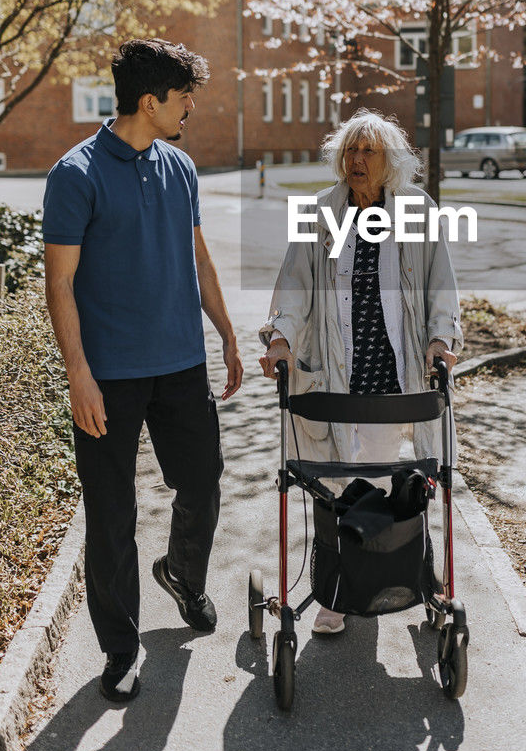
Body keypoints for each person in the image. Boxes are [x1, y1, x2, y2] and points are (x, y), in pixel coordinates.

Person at [43, 38, 243, 703]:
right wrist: (78, 375)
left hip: (182, 365)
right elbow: (60, 284)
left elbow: (200, 258)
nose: (190, 106)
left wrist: (226, 335)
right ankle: (121, 648)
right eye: (183, 96)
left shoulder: (181, 166)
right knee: (111, 513)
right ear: (150, 100)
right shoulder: (75, 174)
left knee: (202, 481)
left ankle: (183, 574)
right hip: (110, 377)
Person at [259, 109, 462, 635]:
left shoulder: (417, 211)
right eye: (350, 150)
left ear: (389, 161)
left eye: (368, 151)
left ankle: (359, 587)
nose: (356, 160)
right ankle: (341, 587)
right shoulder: (322, 212)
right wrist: (280, 338)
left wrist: (442, 337)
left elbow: (442, 283)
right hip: (331, 373)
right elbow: (295, 282)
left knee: (374, 479)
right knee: (333, 482)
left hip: (393, 375)